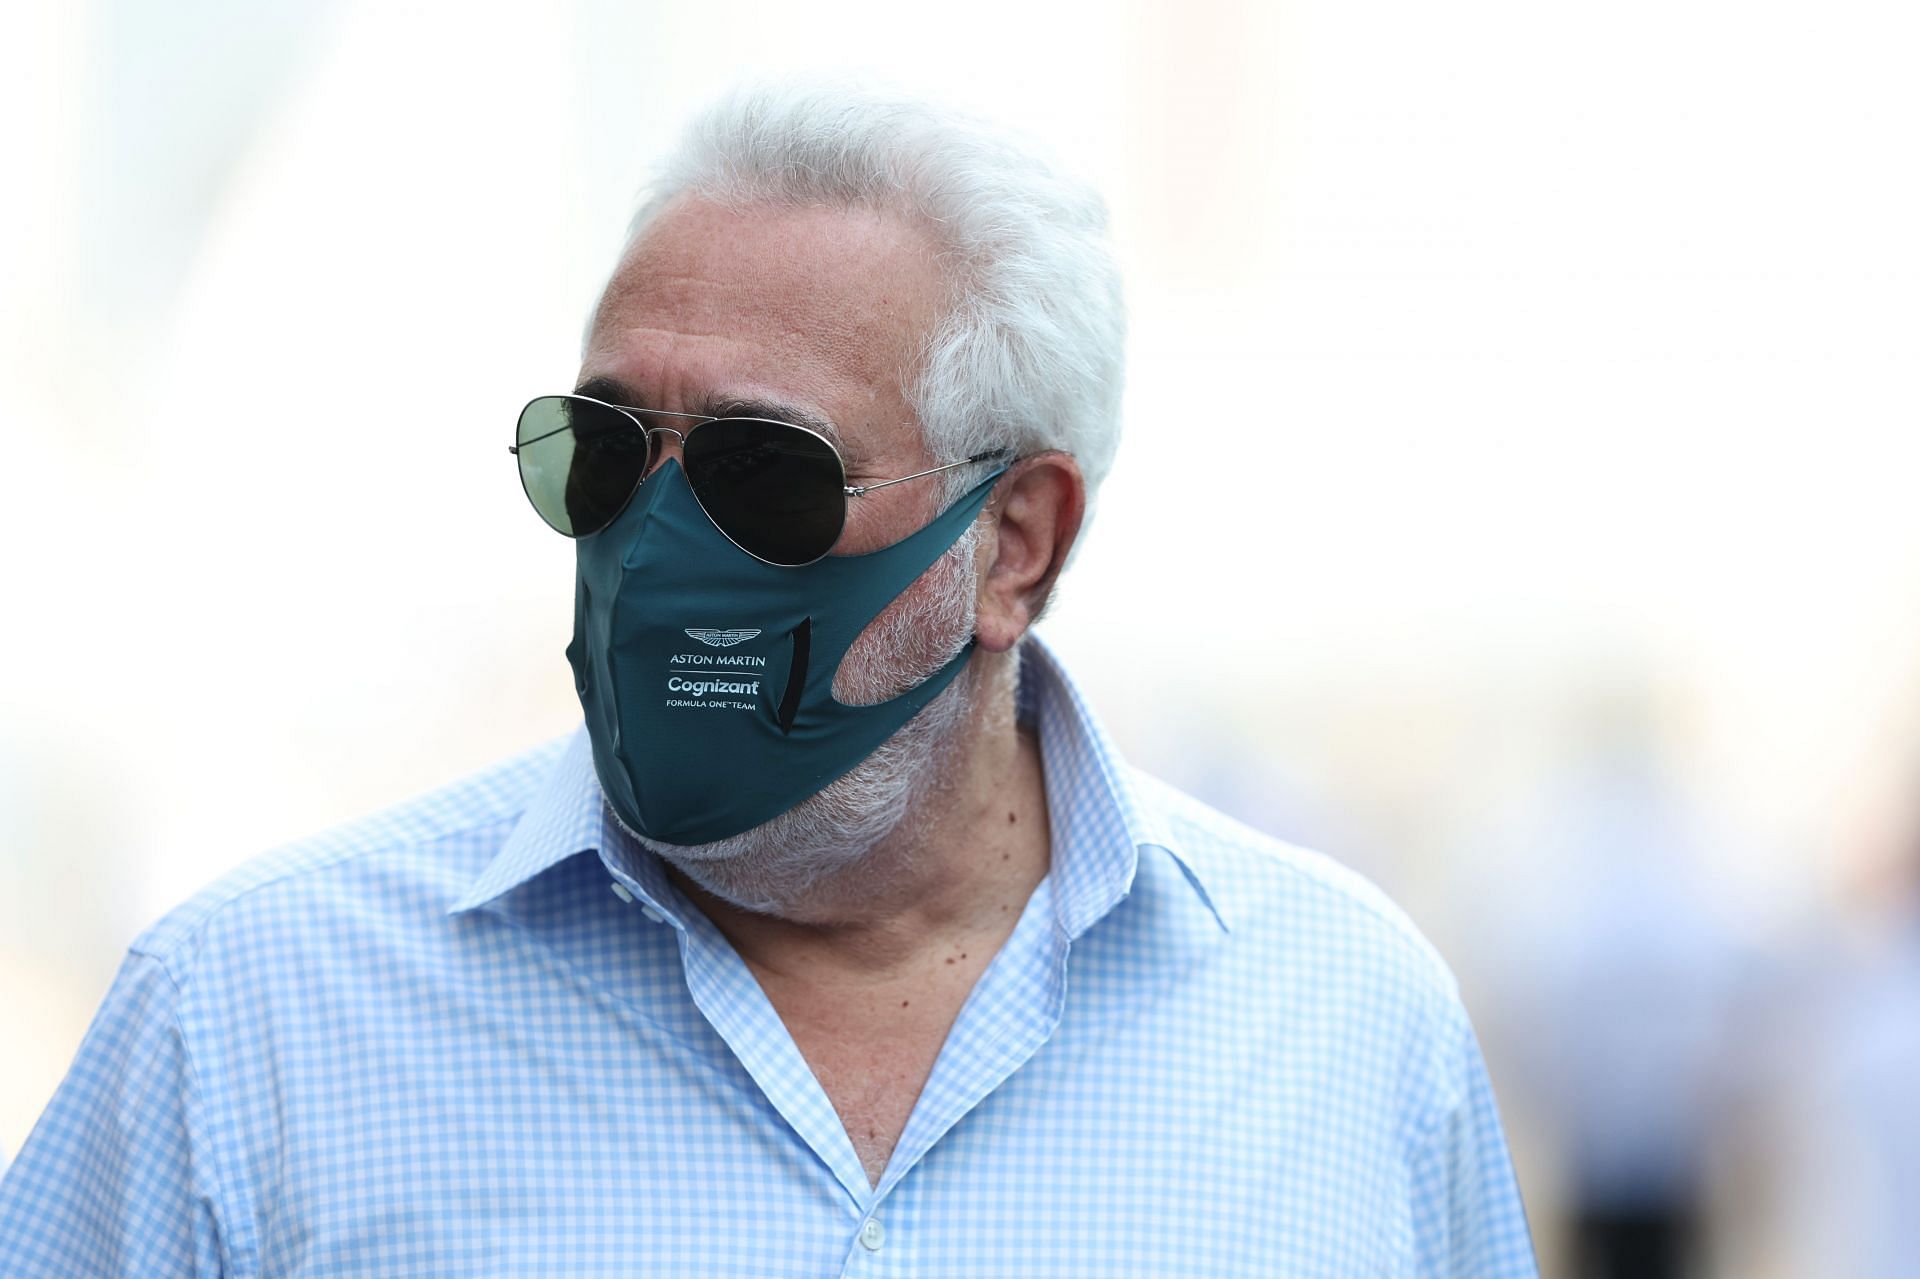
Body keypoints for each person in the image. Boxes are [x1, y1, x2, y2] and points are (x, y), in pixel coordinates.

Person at [0, 80, 1536, 1276]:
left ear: (1014, 543)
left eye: (764, 470)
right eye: (600, 451)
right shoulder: (246, 1018)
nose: (659, 542)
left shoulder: (1343, 1018)